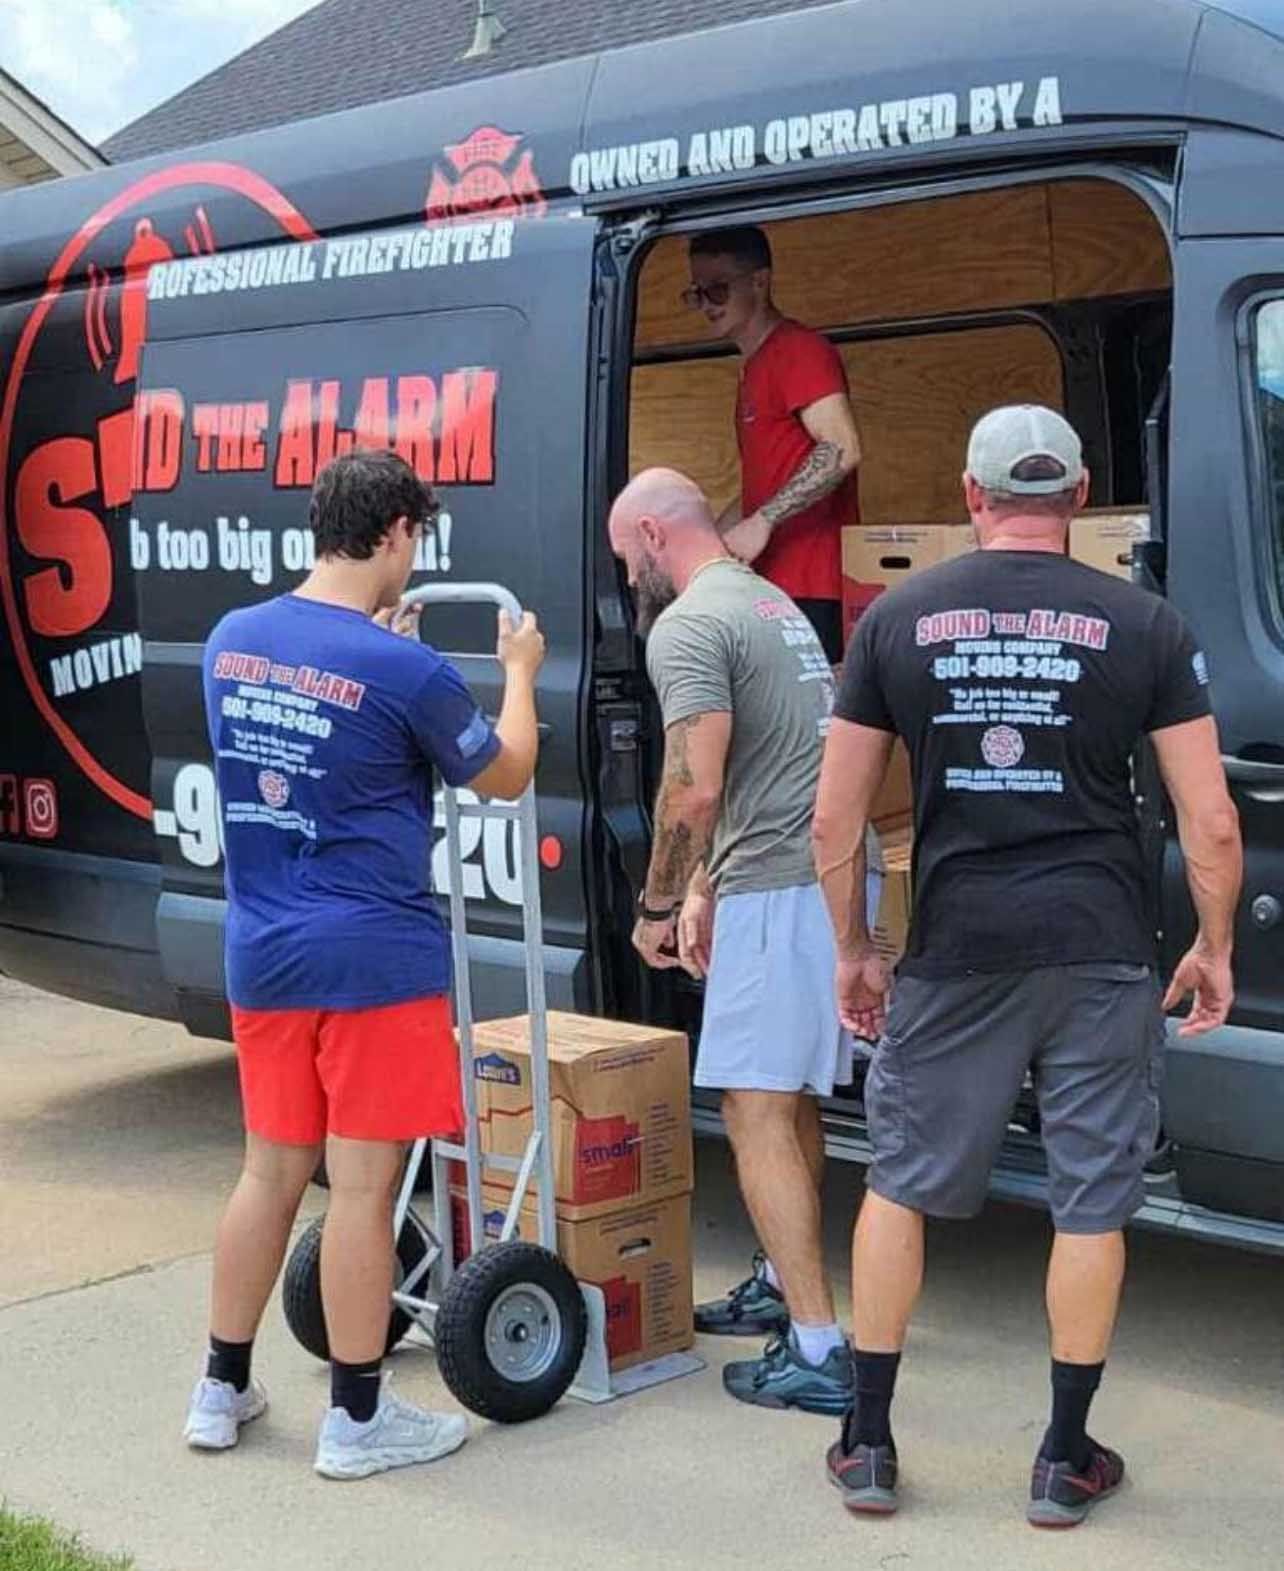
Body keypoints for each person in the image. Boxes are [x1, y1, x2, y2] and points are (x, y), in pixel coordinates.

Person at [812, 406, 1242, 1523]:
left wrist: (856, 949)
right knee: (1090, 1200)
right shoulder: (1144, 623)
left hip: (957, 948)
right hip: (1100, 948)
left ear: (970, 493)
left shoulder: (895, 620)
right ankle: (1061, 1456)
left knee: (899, 1179)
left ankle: (867, 1440)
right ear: (1079, 493)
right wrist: (1214, 943)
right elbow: (1212, 820)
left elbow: (834, 818)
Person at [185, 449, 546, 1480]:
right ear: (395, 531)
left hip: (262, 949)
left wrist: (381, 662)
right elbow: (507, 772)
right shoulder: (408, 670)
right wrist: (517, 672)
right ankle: (356, 1417)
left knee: (268, 1169)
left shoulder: (231, 640)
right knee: (363, 1184)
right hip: (374, 960)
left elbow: (314, 731)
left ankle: (220, 1387)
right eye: (415, 539)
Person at [609, 466, 879, 1415]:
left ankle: (817, 1346)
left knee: (754, 1110)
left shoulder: (686, 625)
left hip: (781, 890)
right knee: (789, 1095)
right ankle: (778, 1279)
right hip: (812, 873)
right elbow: (781, 756)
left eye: (622, 557)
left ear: (650, 535)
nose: (626, 579)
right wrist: (710, 884)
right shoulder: (768, 604)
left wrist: (658, 900)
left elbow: (695, 784)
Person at [684, 224, 862, 665]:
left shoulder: (798, 350)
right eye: (697, 293)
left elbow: (842, 447)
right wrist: (702, 545)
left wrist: (763, 520)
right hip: (769, 585)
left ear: (759, 283)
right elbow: (760, 486)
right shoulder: (753, 367)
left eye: (718, 290)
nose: (707, 305)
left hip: (811, 586)